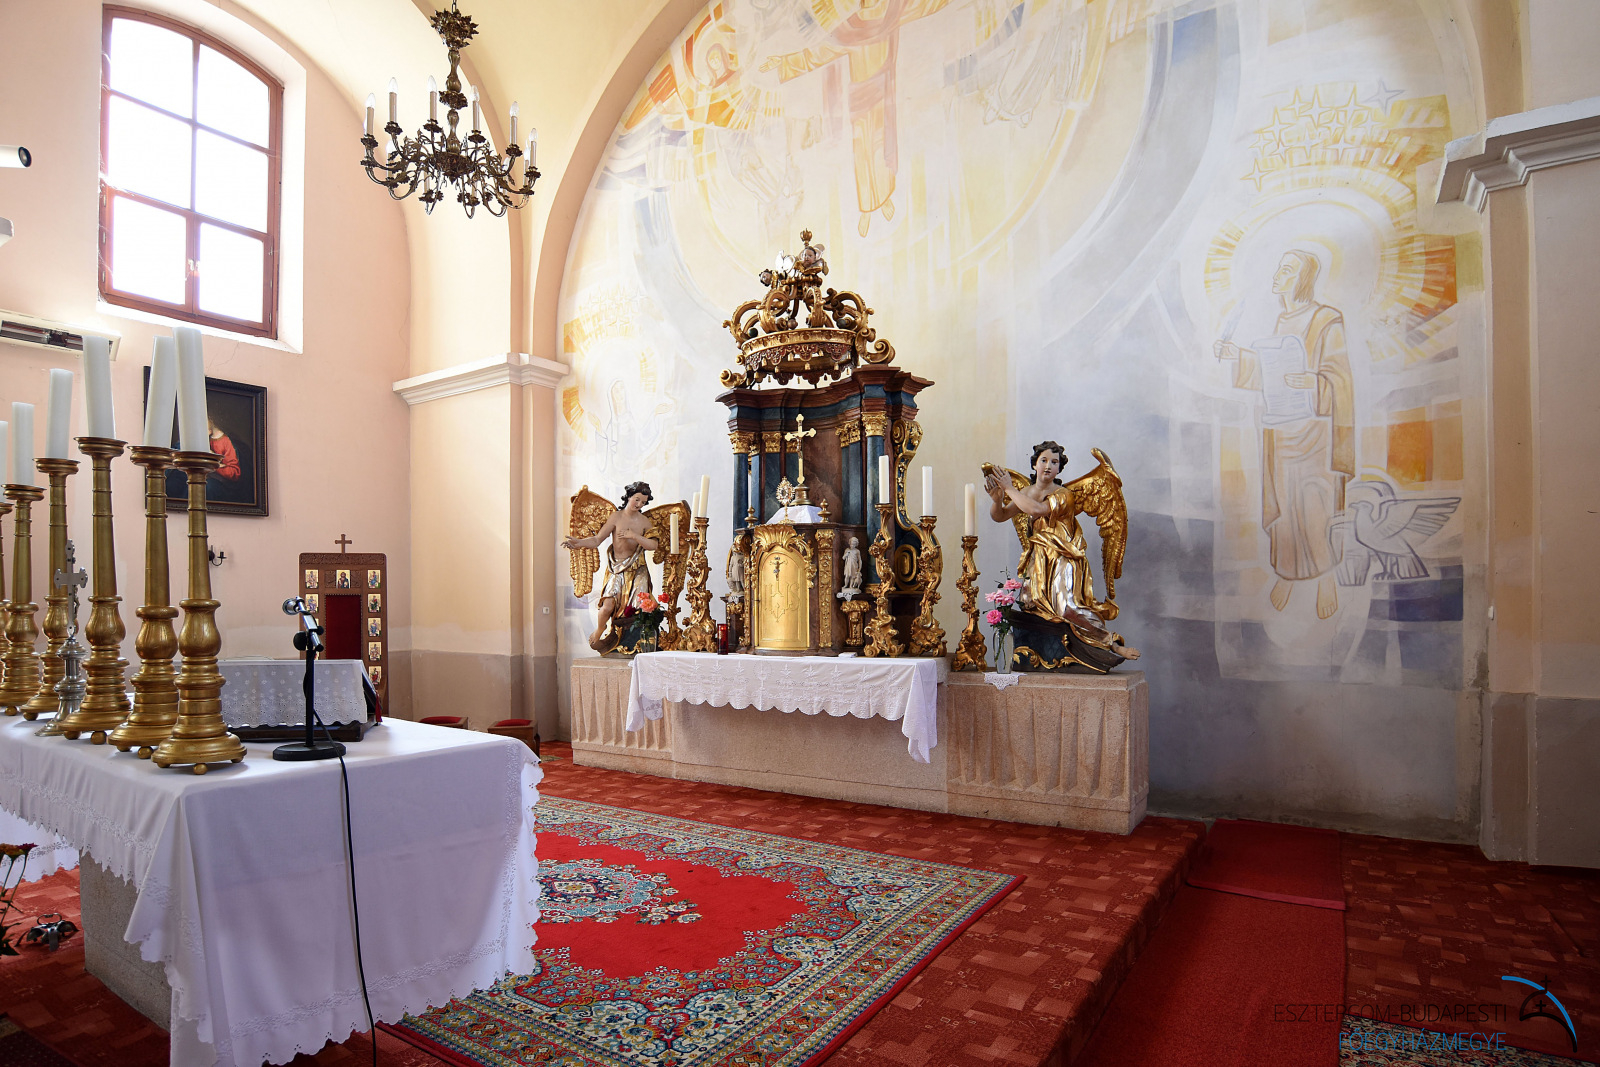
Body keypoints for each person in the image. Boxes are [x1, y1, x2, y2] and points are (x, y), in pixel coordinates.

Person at [1215, 250, 1355, 619]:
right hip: (1280, 430)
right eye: (1279, 268)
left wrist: (1315, 382)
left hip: (1315, 434)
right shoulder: (1282, 321)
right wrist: (1237, 355)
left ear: (1303, 278)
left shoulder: (1327, 320)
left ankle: (1326, 578)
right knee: (1286, 508)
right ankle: (1288, 575)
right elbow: (1272, 373)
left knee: (1316, 506)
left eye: (1287, 270)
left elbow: (1341, 379)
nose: (1278, 275)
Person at [984, 441, 1138, 658]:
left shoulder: (1064, 494)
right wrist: (998, 500)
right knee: (1031, 605)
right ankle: (1045, 653)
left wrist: (1009, 488)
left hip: (1063, 558)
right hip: (1039, 558)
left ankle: (1111, 643)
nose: (1048, 466)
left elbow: (1037, 509)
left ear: (1059, 468)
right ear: (1035, 464)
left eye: (1054, 462)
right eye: (1044, 460)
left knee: (1067, 608)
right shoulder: (1026, 492)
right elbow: (1000, 516)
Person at [562, 482, 660, 651]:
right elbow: (597, 540)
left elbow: (653, 545)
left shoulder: (645, 522)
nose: (639, 504)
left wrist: (634, 536)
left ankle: (637, 640)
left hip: (637, 569)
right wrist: (578, 543)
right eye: (637, 499)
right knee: (607, 606)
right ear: (629, 497)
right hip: (616, 567)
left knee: (639, 605)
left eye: (643, 502)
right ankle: (600, 630)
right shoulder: (616, 517)